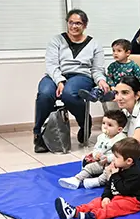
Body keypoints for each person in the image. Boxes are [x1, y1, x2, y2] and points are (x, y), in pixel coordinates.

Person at [34, 9, 107, 153]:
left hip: (81, 76)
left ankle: (84, 123)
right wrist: (59, 81)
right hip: (56, 75)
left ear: (85, 25)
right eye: (71, 22)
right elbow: (51, 65)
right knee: (45, 94)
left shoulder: (94, 44)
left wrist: (101, 80)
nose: (74, 26)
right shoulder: (56, 40)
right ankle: (39, 135)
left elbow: (97, 69)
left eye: (78, 23)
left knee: (69, 93)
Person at [55, 137, 140, 219]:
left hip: (133, 200)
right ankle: (73, 212)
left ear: (128, 161)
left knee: (113, 207)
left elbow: (123, 190)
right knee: (97, 202)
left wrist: (114, 175)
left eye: (116, 157)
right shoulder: (118, 167)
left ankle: (92, 217)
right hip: (118, 196)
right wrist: (106, 197)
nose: (113, 159)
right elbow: (110, 185)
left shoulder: (134, 174)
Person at [58, 110, 128, 190]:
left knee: (108, 172)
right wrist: (96, 155)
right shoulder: (101, 137)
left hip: (113, 164)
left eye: (110, 125)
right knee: (89, 167)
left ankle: (97, 182)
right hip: (100, 162)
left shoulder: (121, 139)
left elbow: (121, 155)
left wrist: (108, 158)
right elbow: (96, 148)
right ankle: (77, 179)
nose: (105, 127)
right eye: (103, 123)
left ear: (119, 129)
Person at [80, 39, 140, 103]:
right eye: (113, 51)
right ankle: (94, 95)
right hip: (114, 87)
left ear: (127, 53)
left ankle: (106, 97)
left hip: (126, 88)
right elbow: (109, 77)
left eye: (119, 51)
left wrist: (138, 91)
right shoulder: (112, 66)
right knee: (102, 87)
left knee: (115, 93)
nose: (115, 53)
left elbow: (139, 80)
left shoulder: (133, 66)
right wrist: (112, 86)